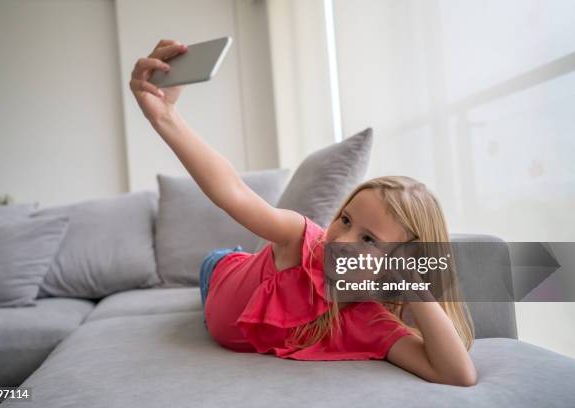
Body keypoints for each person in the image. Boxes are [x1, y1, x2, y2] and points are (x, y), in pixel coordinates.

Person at [129, 39, 478, 387]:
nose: (341, 239)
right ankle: (246, 262)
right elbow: (232, 193)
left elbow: (457, 374)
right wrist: (165, 116)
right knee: (227, 260)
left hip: (245, 295)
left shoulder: (370, 323)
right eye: (345, 220)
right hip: (217, 275)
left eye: (369, 239)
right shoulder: (301, 238)